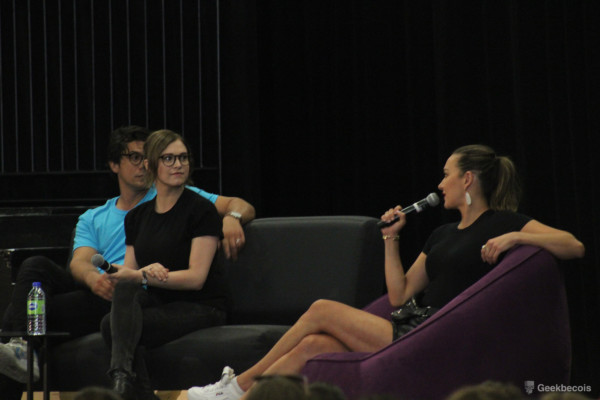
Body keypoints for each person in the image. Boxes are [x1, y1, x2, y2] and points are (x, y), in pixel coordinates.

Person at [186, 144, 585, 400]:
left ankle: (236, 385)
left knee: (322, 309)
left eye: (446, 173)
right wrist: (391, 240)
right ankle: (244, 397)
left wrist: (517, 236)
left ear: (467, 179)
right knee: (314, 344)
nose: (440, 183)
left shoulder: (503, 221)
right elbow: (400, 293)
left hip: (435, 335)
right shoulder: (443, 233)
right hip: (411, 324)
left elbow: (573, 245)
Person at [0, 126, 255, 399]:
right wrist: (95, 279)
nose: (175, 164)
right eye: (135, 157)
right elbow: (80, 263)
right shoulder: (101, 216)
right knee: (34, 273)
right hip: (109, 284)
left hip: (142, 291)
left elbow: (238, 206)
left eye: (181, 158)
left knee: (26, 316)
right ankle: (22, 347)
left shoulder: (184, 197)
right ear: (115, 165)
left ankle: (34, 349)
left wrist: (233, 218)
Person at [101, 129, 230, 400]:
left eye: (183, 158)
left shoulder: (201, 210)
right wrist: (138, 274)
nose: (178, 165)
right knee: (115, 311)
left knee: (121, 328)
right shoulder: (137, 217)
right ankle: (129, 383)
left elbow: (197, 278)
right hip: (159, 301)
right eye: (168, 158)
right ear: (150, 164)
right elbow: (131, 274)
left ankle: (123, 380)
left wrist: (145, 277)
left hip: (201, 305)